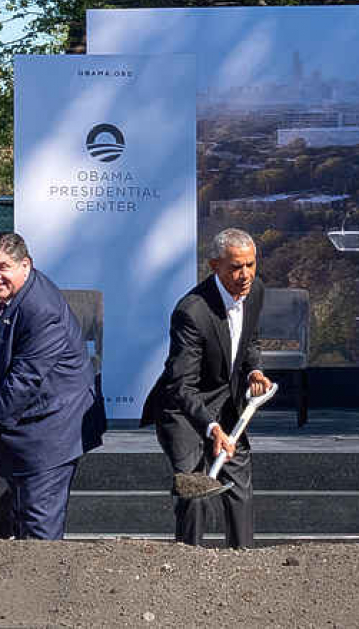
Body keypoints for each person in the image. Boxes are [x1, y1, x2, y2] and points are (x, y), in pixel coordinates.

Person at [0, 232, 104, 540]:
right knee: (19, 521)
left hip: (51, 430)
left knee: (40, 531)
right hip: (15, 429)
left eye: (3, 267)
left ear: (26, 265)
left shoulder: (42, 309)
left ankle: (47, 587)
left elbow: (25, 378)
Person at [146, 228, 271, 548]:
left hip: (226, 402)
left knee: (239, 486)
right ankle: (189, 562)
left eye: (251, 265)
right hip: (182, 409)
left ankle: (243, 560)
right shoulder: (192, 312)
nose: (245, 275)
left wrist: (254, 370)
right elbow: (181, 385)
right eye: (236, 267)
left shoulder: (255, 291)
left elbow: (249, 340)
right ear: (215, 265)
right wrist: (212, 428)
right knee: (195, 490)